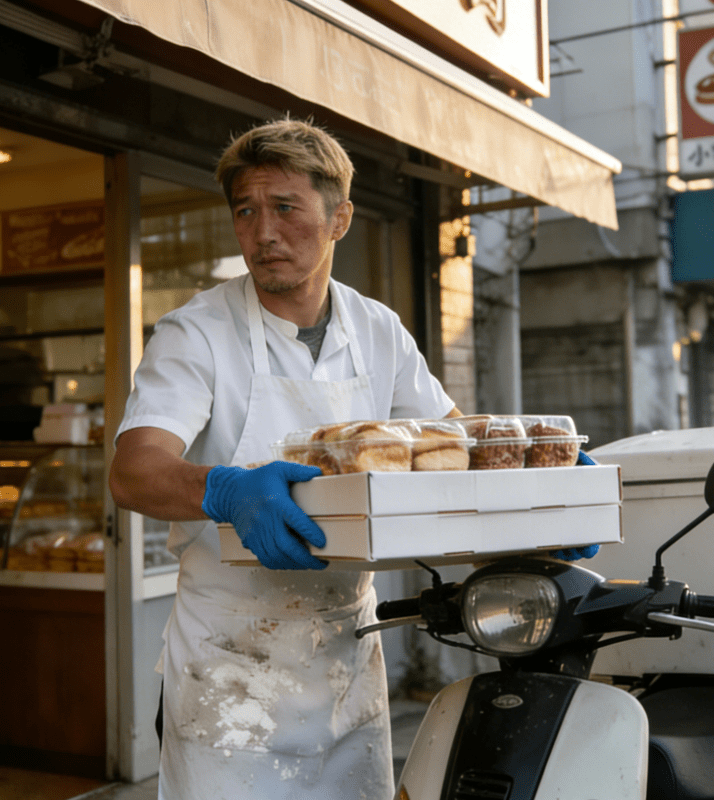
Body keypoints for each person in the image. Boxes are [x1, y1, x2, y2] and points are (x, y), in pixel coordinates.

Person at [108, 117, 462, 799]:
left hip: (345, 655)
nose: (263, 233)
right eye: (246, 211)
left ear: (340, 218)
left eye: (285, 208)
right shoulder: (196, 333)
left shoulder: (378, 329)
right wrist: (227, 491)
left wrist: (542, 481)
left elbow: (448, 442)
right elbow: (134, 469)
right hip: (230, 666)